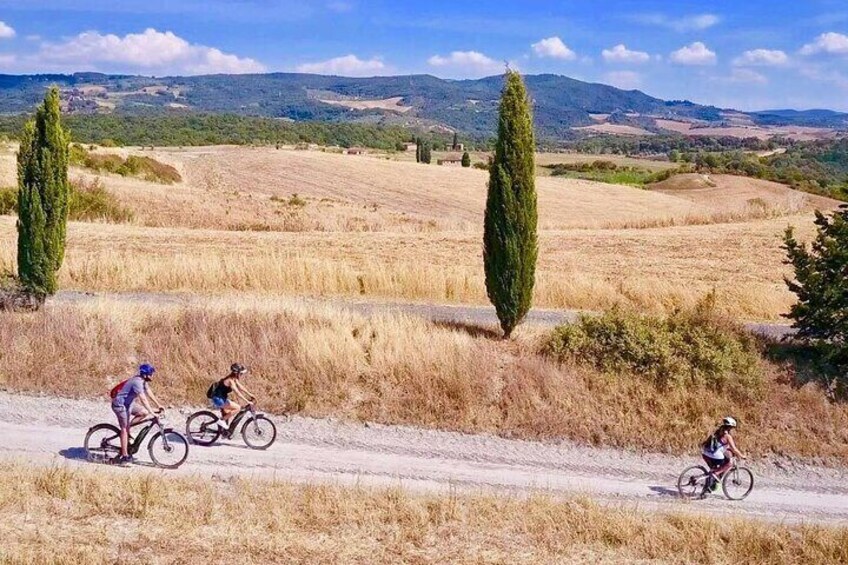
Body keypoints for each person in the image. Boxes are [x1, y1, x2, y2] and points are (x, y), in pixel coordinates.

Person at [110, 363, 164, 465]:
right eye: (151, 374)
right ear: (145, 374)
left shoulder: (143, 382)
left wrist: (158, 405)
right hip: (119, 405)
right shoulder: (137, 382)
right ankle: (124, 456)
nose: (152, 376)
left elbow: (149, 392)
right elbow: (143, 398)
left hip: (129, 404)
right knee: (124, 429)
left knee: (144, 412)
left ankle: (128, 428)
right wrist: (153, 413)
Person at [701, 416, 746, 495]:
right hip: (714, 456)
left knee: (712, 470)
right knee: (729, 463)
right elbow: (734, 449)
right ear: (730, 427)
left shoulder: (717, 432)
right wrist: (742, 456)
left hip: (705, 454)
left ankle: (707, 489)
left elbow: (722, 446)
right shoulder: (728, 437)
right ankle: (716, 474)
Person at [207, 363, 256, 433]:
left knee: (228, 413)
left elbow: (241, 387)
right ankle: (220, 421)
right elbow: (237, 393)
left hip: (222, 398)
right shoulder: (230, 380)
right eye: (241, 373)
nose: (241, 375)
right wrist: (247, 401)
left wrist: (250, 394)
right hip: (218, 400)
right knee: (237, 408)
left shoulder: (233, 378)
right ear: (237, 373)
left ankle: (224, 431)